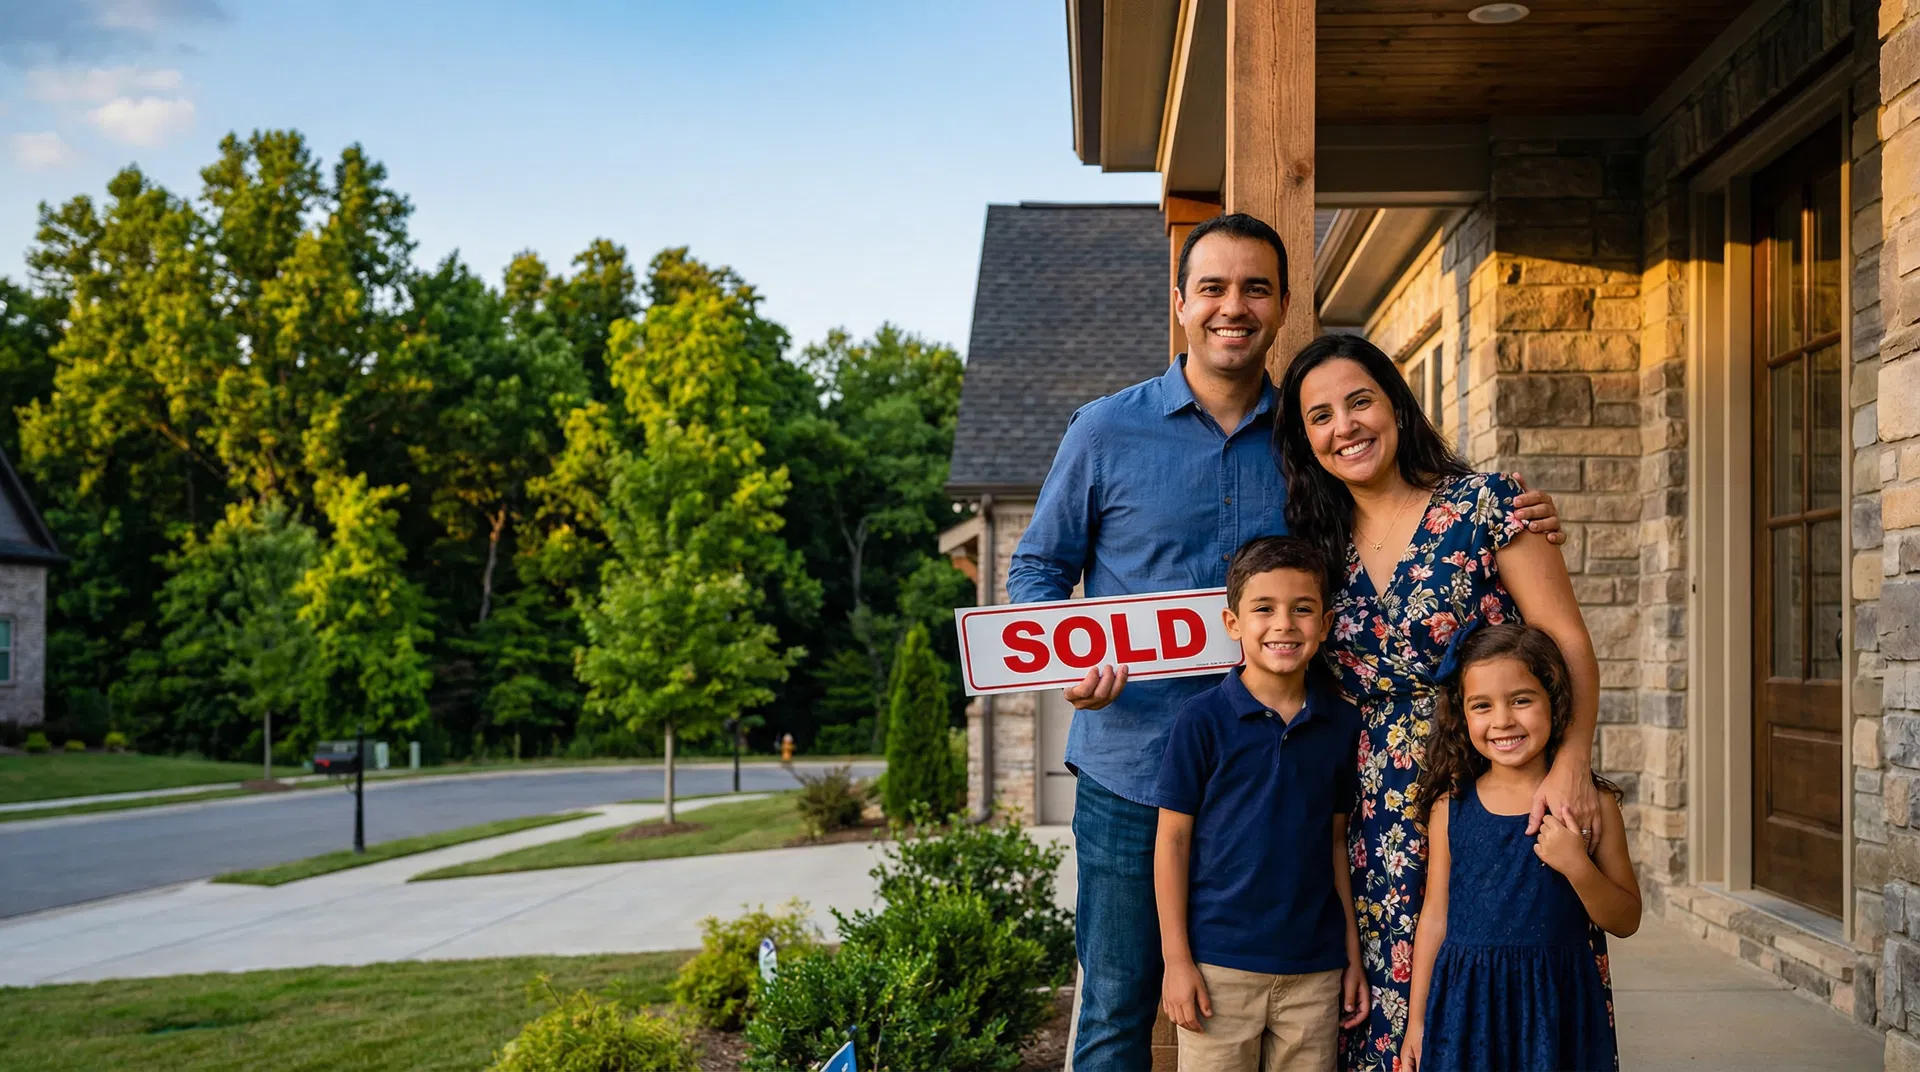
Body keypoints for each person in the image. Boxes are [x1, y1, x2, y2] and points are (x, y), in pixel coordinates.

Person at [1011, 214, 1564, 1072]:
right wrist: (1068, 664)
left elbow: (1401, 519)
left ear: (1280, 305)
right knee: (1118, 1007)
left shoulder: (1309, 440)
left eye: (1256, 288)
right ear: (1181, 303)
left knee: (1313, 1007)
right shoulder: (1103, 433)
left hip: (1288, 776)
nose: (1234, 306)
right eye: (1214, 288)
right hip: (1132, 768)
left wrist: (1511, 514)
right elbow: (1035, 575)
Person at [1273, 332, 1605, 1071]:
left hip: (1498, 787)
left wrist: (1572, 763)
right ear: (1304, 440)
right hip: (1379, 812)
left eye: (1360, 401)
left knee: (1514, 1000)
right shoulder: (1313, 546)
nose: (1345, 426)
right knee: (1395, 1022)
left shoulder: (1487, 505)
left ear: (1395, 403)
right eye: (1320, 416)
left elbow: (1567, 642)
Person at [1154, 536, 1369, 1070]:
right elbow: (1172, 841)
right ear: (1233, 624)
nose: (1284, 624)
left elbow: (1337, 844)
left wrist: (1351, 957)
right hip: (1219, 970)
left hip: (1314, 972)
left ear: (1324, 623)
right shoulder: (1200, 720)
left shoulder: (1341, 724)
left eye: (1302, 609)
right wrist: (1176, 960)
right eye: (1264, 609)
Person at [1401, 623, 1638, 1072]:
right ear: (1462, 715)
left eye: (1522, 700)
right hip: (1466, 1008)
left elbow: (1626, 919)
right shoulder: (1450, 808)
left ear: (1556, 701)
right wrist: (1417, 1020)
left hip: (1556, 1006)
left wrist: (1578, 868)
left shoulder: (1593, 807)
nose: (1503, 720)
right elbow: (1434, 917)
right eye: (1482, 706)